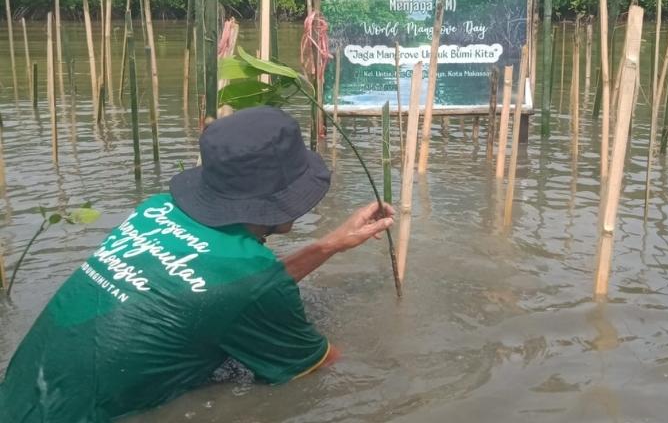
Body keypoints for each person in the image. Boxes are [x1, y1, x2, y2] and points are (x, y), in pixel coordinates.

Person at [0, 107, 394, 422]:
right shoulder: (250, 281)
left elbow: (221, 287)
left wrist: (330, 245)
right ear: (278, 198)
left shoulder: (156, 210)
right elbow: (321, 366)